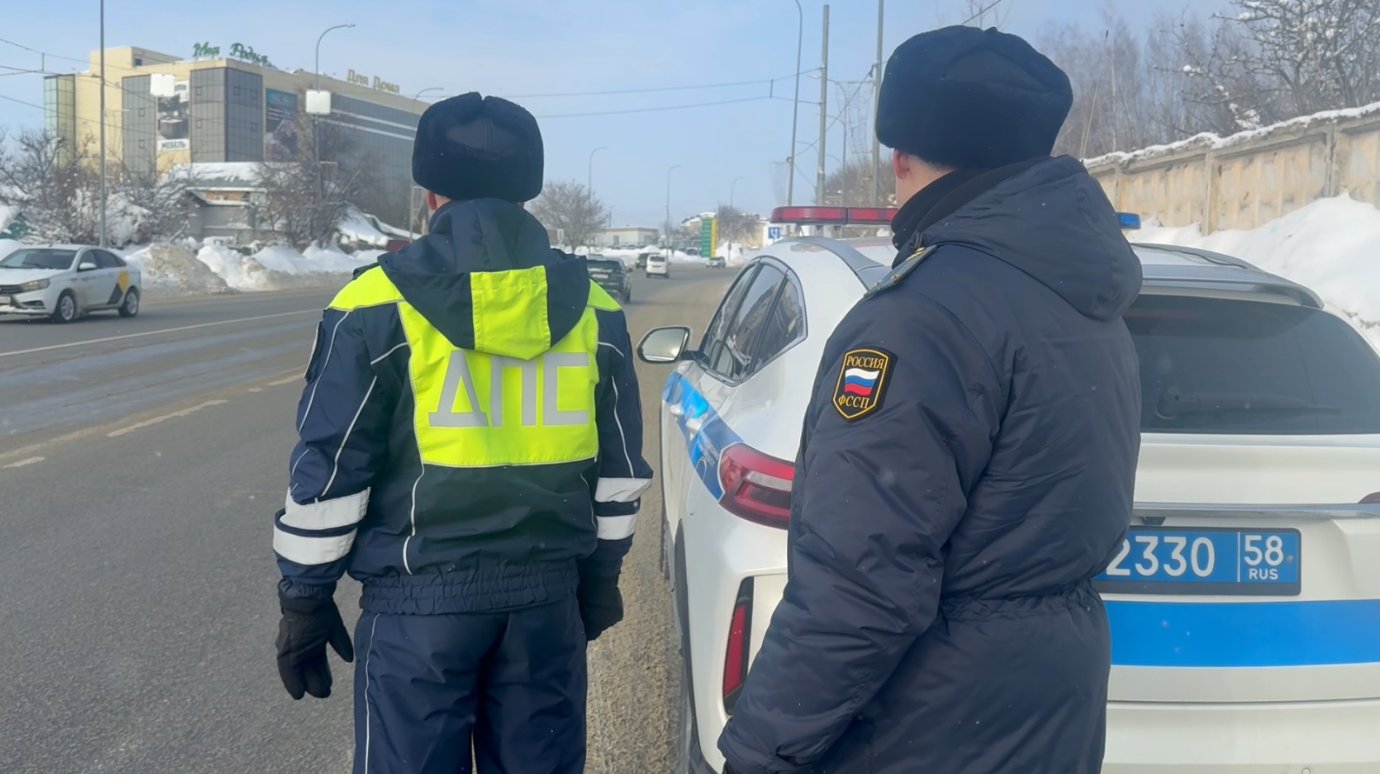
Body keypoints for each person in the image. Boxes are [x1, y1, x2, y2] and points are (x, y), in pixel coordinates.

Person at [718, 26, 1143, 774]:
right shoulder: (1081, 294)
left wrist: (760, 749)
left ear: (902, 155)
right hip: (1050, 698)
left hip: (932, 715)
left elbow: (861, 587)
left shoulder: (921, 316)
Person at [270, 93, 653, 774]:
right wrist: (599, 577)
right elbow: (619, 472)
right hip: (545, 607)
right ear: (526, 194)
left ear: (431, 194)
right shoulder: (596, 310)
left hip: (420, 613)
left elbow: (331, 473)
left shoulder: (371, 306)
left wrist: (304, 595)